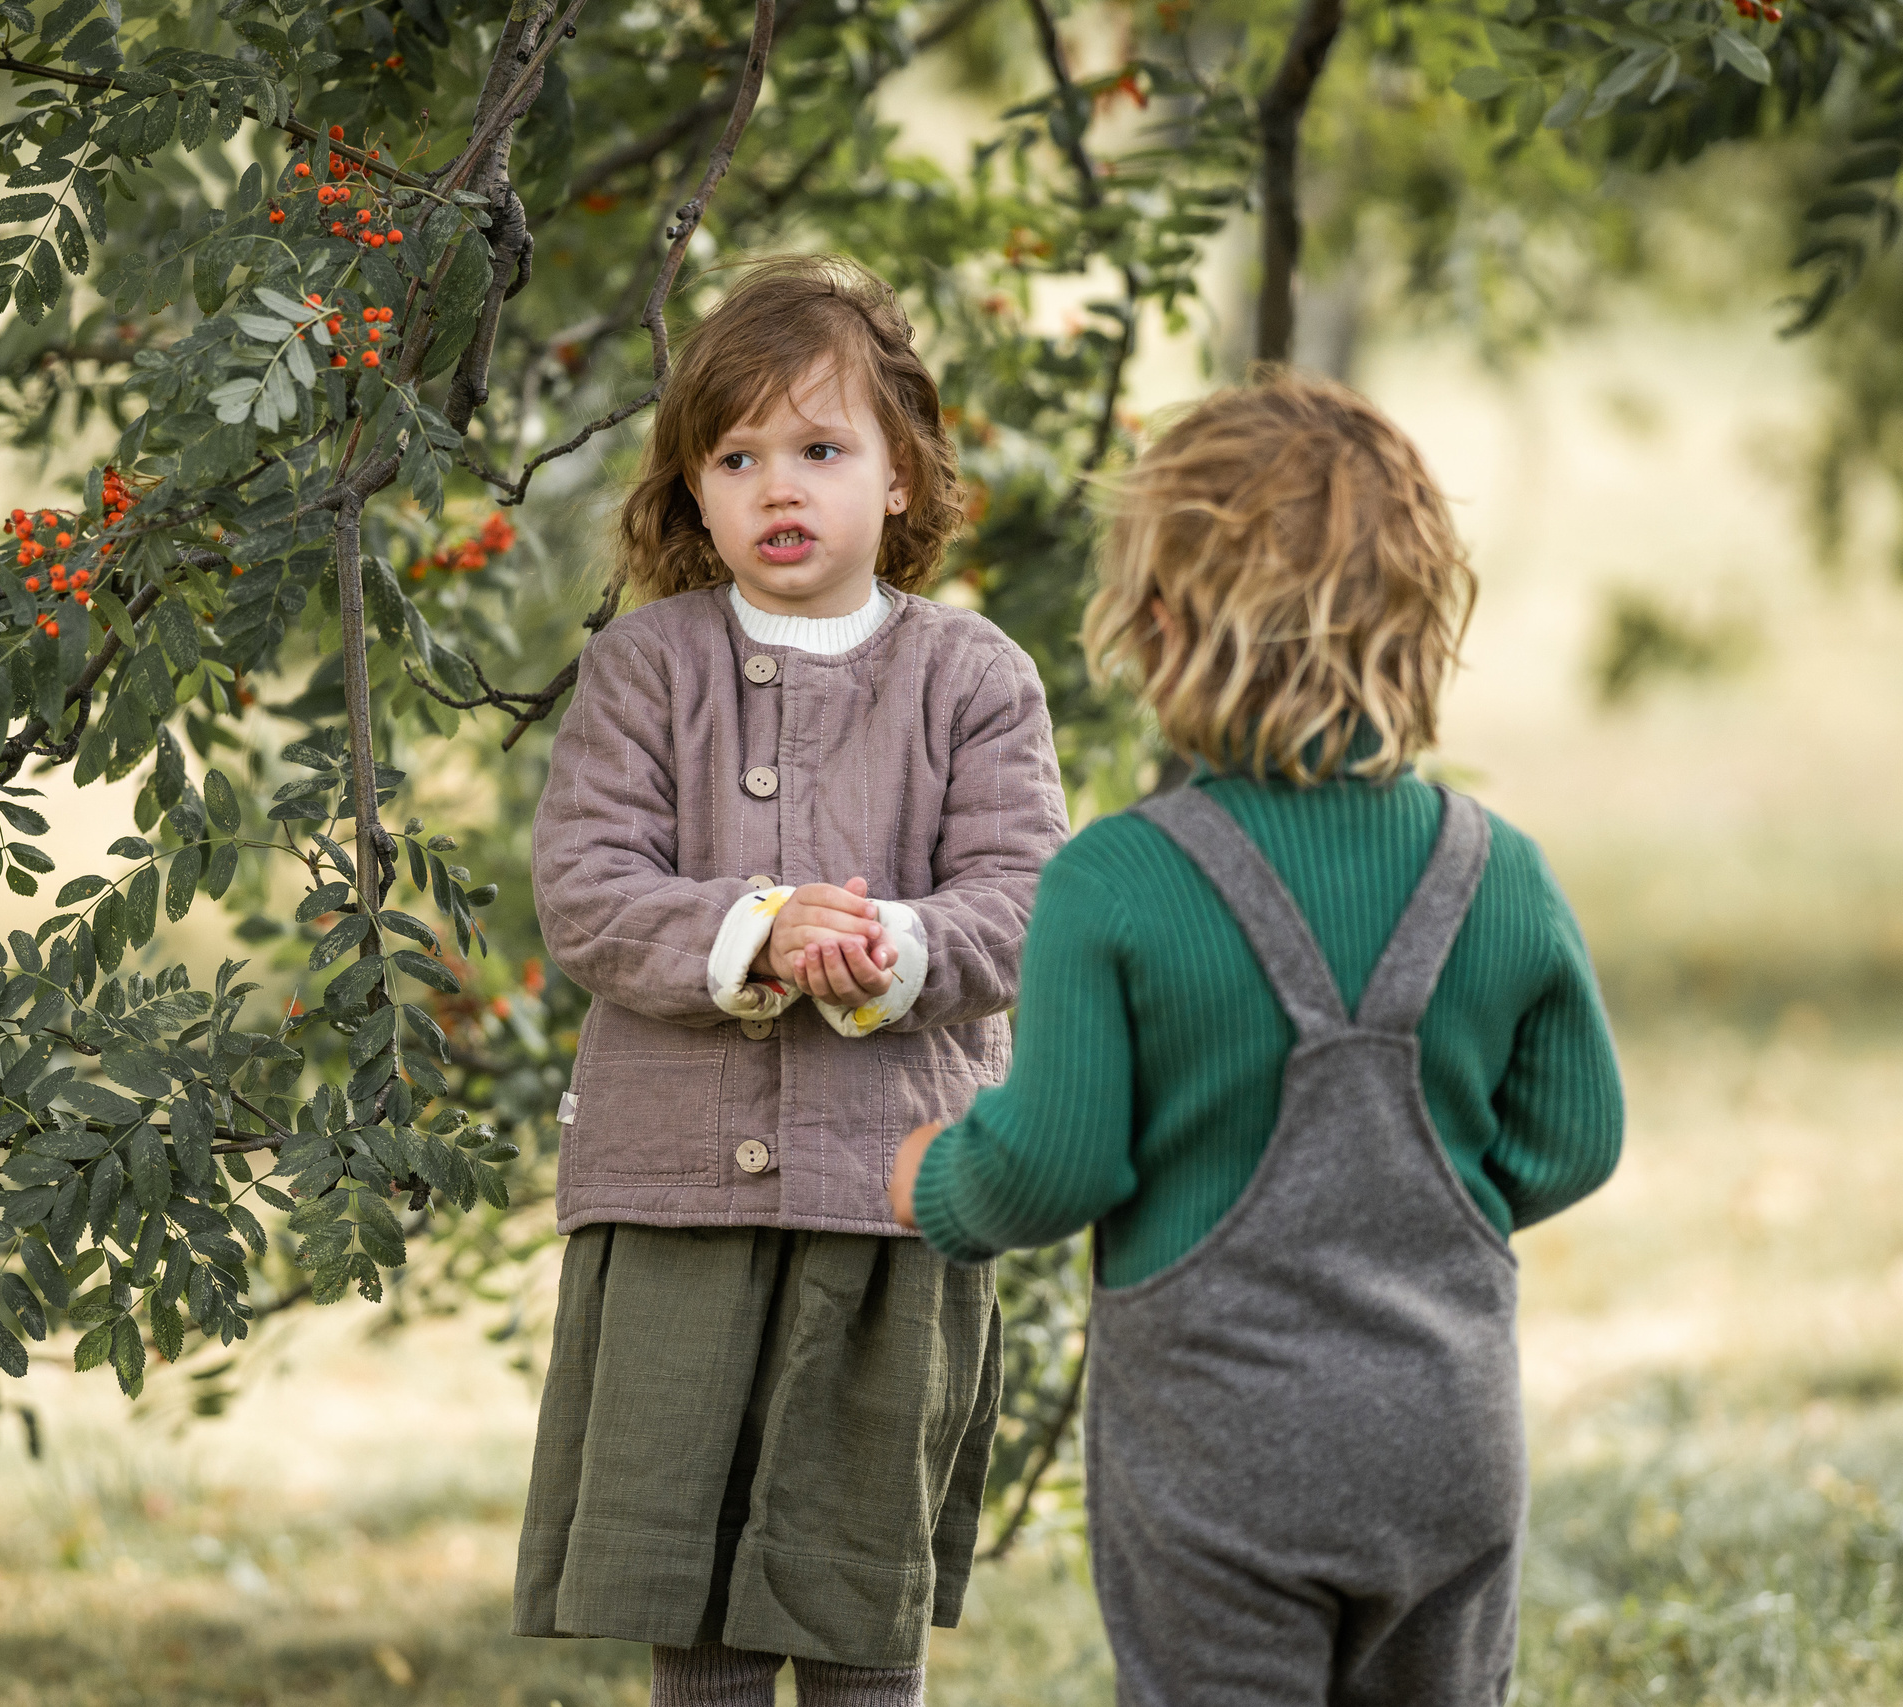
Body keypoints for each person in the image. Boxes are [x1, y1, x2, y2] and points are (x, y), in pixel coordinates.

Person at [890, 372, 1627, 1707]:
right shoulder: (1496, 870)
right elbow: (1579, 1138)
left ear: (1161, 627)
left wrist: (931, 1181)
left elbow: (1052, 1172)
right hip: (1447, 1440)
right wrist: (1409, 1208)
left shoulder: (1116, 882)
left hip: (1221, 1464)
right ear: (1415, 627)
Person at [516, 255, 1067, 1707]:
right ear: (690, 489)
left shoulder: (975, 677)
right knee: (689, 1596)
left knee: (852, 1595)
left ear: (899, 477)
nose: (779, 485)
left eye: (822, 450)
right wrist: (753, 930)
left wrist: (899, 952)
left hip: (890, 1199)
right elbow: (586, 886)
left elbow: (1024, 899)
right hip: (677, 1197)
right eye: (737, 453)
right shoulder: (644, 670)